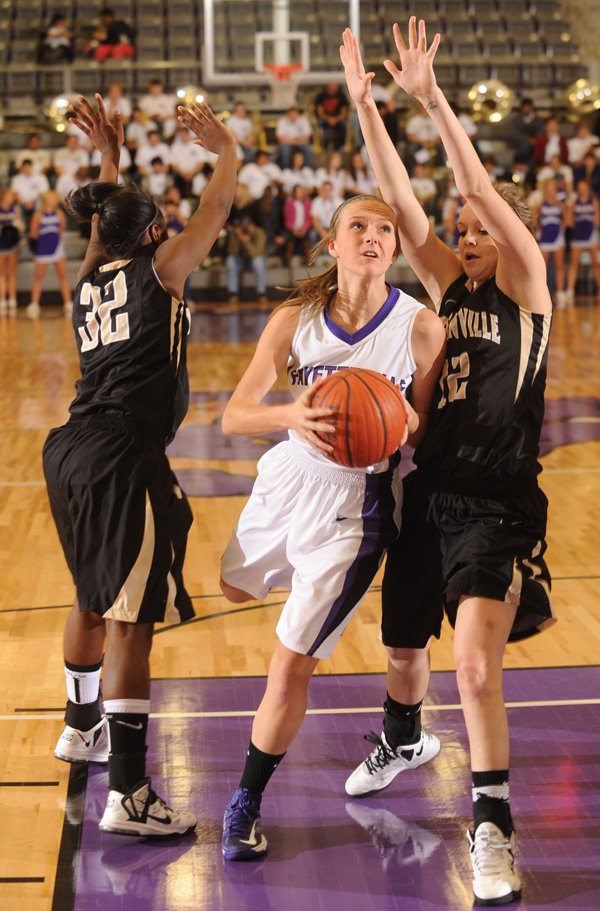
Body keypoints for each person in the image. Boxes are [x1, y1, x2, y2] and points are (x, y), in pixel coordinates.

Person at [341, 21, 554, 906]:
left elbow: (470, 183)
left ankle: (493, 827)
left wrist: (431, 99)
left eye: (479, 229)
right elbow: (405, 203)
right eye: (463, 232)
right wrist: (367, 110)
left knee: (473, 668)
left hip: (495, 502)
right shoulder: (451, 287)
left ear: (508, 235)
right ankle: (401, 735)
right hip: (428, 490)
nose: (465, 236)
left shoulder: (528, 285)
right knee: (402, 650)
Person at [219, 191, 446, 860]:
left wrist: (405, 420)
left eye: (385, 229)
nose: (373, 237)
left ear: (396, 248)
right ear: (332, 242)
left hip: (356, 504)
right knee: (233, 591)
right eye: (359, 226)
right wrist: (291, 414)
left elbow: (425, 425)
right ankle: (393, 719)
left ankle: (245, 804)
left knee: (288, 667)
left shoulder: (420, 326)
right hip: (287, 479)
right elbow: (234, 414)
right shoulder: (296, 319)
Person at [43, 93, 237, 836]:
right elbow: (213, 215)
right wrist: (228, 152)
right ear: (155, 232)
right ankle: (129, 793)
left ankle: (80, 723)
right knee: (133, 621)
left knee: (94, 595)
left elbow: (104, 221)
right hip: (124, 453)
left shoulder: (91, 275)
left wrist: (112, 160)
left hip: (71, 448)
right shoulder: (159, 270)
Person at [25, 190, 73, 319]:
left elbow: (61, 230)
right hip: (42, 249)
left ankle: (68, 304)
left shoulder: (59, 213)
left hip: (57, 248)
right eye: (51, 197)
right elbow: (33, 233)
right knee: (38, 277)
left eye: (54, 198)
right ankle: (34, 305)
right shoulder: (38, 214)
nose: (53, 200)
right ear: (45, 199)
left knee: (63, 276)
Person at [533, 178, 568, 306]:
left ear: (556, 191)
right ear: (545, 190)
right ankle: (541, 294)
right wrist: (539, 225)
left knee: (559, 266)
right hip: (545, 239)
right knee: (542, 267)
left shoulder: (561, 205)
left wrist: (561, 227)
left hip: (558, 238)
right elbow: (534, 221)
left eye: (553, 189)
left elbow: (568, 221)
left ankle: (560, 294)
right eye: (548, 189)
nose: (550, 192)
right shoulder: (540, 205)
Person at [566, 178, 600, 301]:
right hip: (578, 235)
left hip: (591, 235)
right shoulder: (574, 202)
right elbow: (569, 221)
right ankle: (570, 291)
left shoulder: (594, 201)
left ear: (588, 189)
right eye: (580, 188)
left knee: (596, 264)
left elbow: (597, 220)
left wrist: (589, 226)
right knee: (574, 264)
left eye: (584, 188)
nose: (582, 190)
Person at [225, 214, 268, 302]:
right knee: (230, 261)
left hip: (254, 259)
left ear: (253, 225)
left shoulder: (259, 233)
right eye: (244, 226)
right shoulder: (236, 233)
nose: (246, 228)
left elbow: (256, 253)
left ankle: (261, 293)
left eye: (249, 225)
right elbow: (232, 252)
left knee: (258, 262)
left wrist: (246, 241)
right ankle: (233, 293)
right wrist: (237, 237)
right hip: (241, 259)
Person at [0, 188, 23, 315]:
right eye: (9, 196)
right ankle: (2, 300)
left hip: (12, 245)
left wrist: (16, 229)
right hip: (1, 246)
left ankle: (12, 300)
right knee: (2, 274)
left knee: (12, 273)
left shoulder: (15, 210)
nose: (11, 198)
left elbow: (20, 228)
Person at [314, 82, 349, 151]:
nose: (334, 85)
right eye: (332, 83)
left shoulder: (342, 96)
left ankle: (341, 146)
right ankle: (322, 146)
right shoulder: (321, 96)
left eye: (336, 83)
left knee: (343, 125)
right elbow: (320, 112)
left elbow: (344, 112)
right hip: (324, 119)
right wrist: (329, 119)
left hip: (338, 119)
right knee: (319, 124)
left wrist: (336, 119)